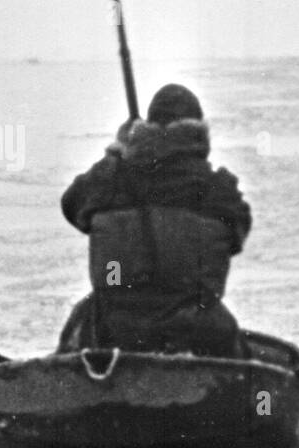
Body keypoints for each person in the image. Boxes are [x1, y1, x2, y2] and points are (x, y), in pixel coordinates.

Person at [57, 83, 251, 357]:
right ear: (200, 132)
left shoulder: (113, 180)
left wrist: (118, 152)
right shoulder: (218, 190)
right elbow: (238, 233)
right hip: (198, 330)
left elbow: (72, 204)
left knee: (80, 323)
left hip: (113, 329)